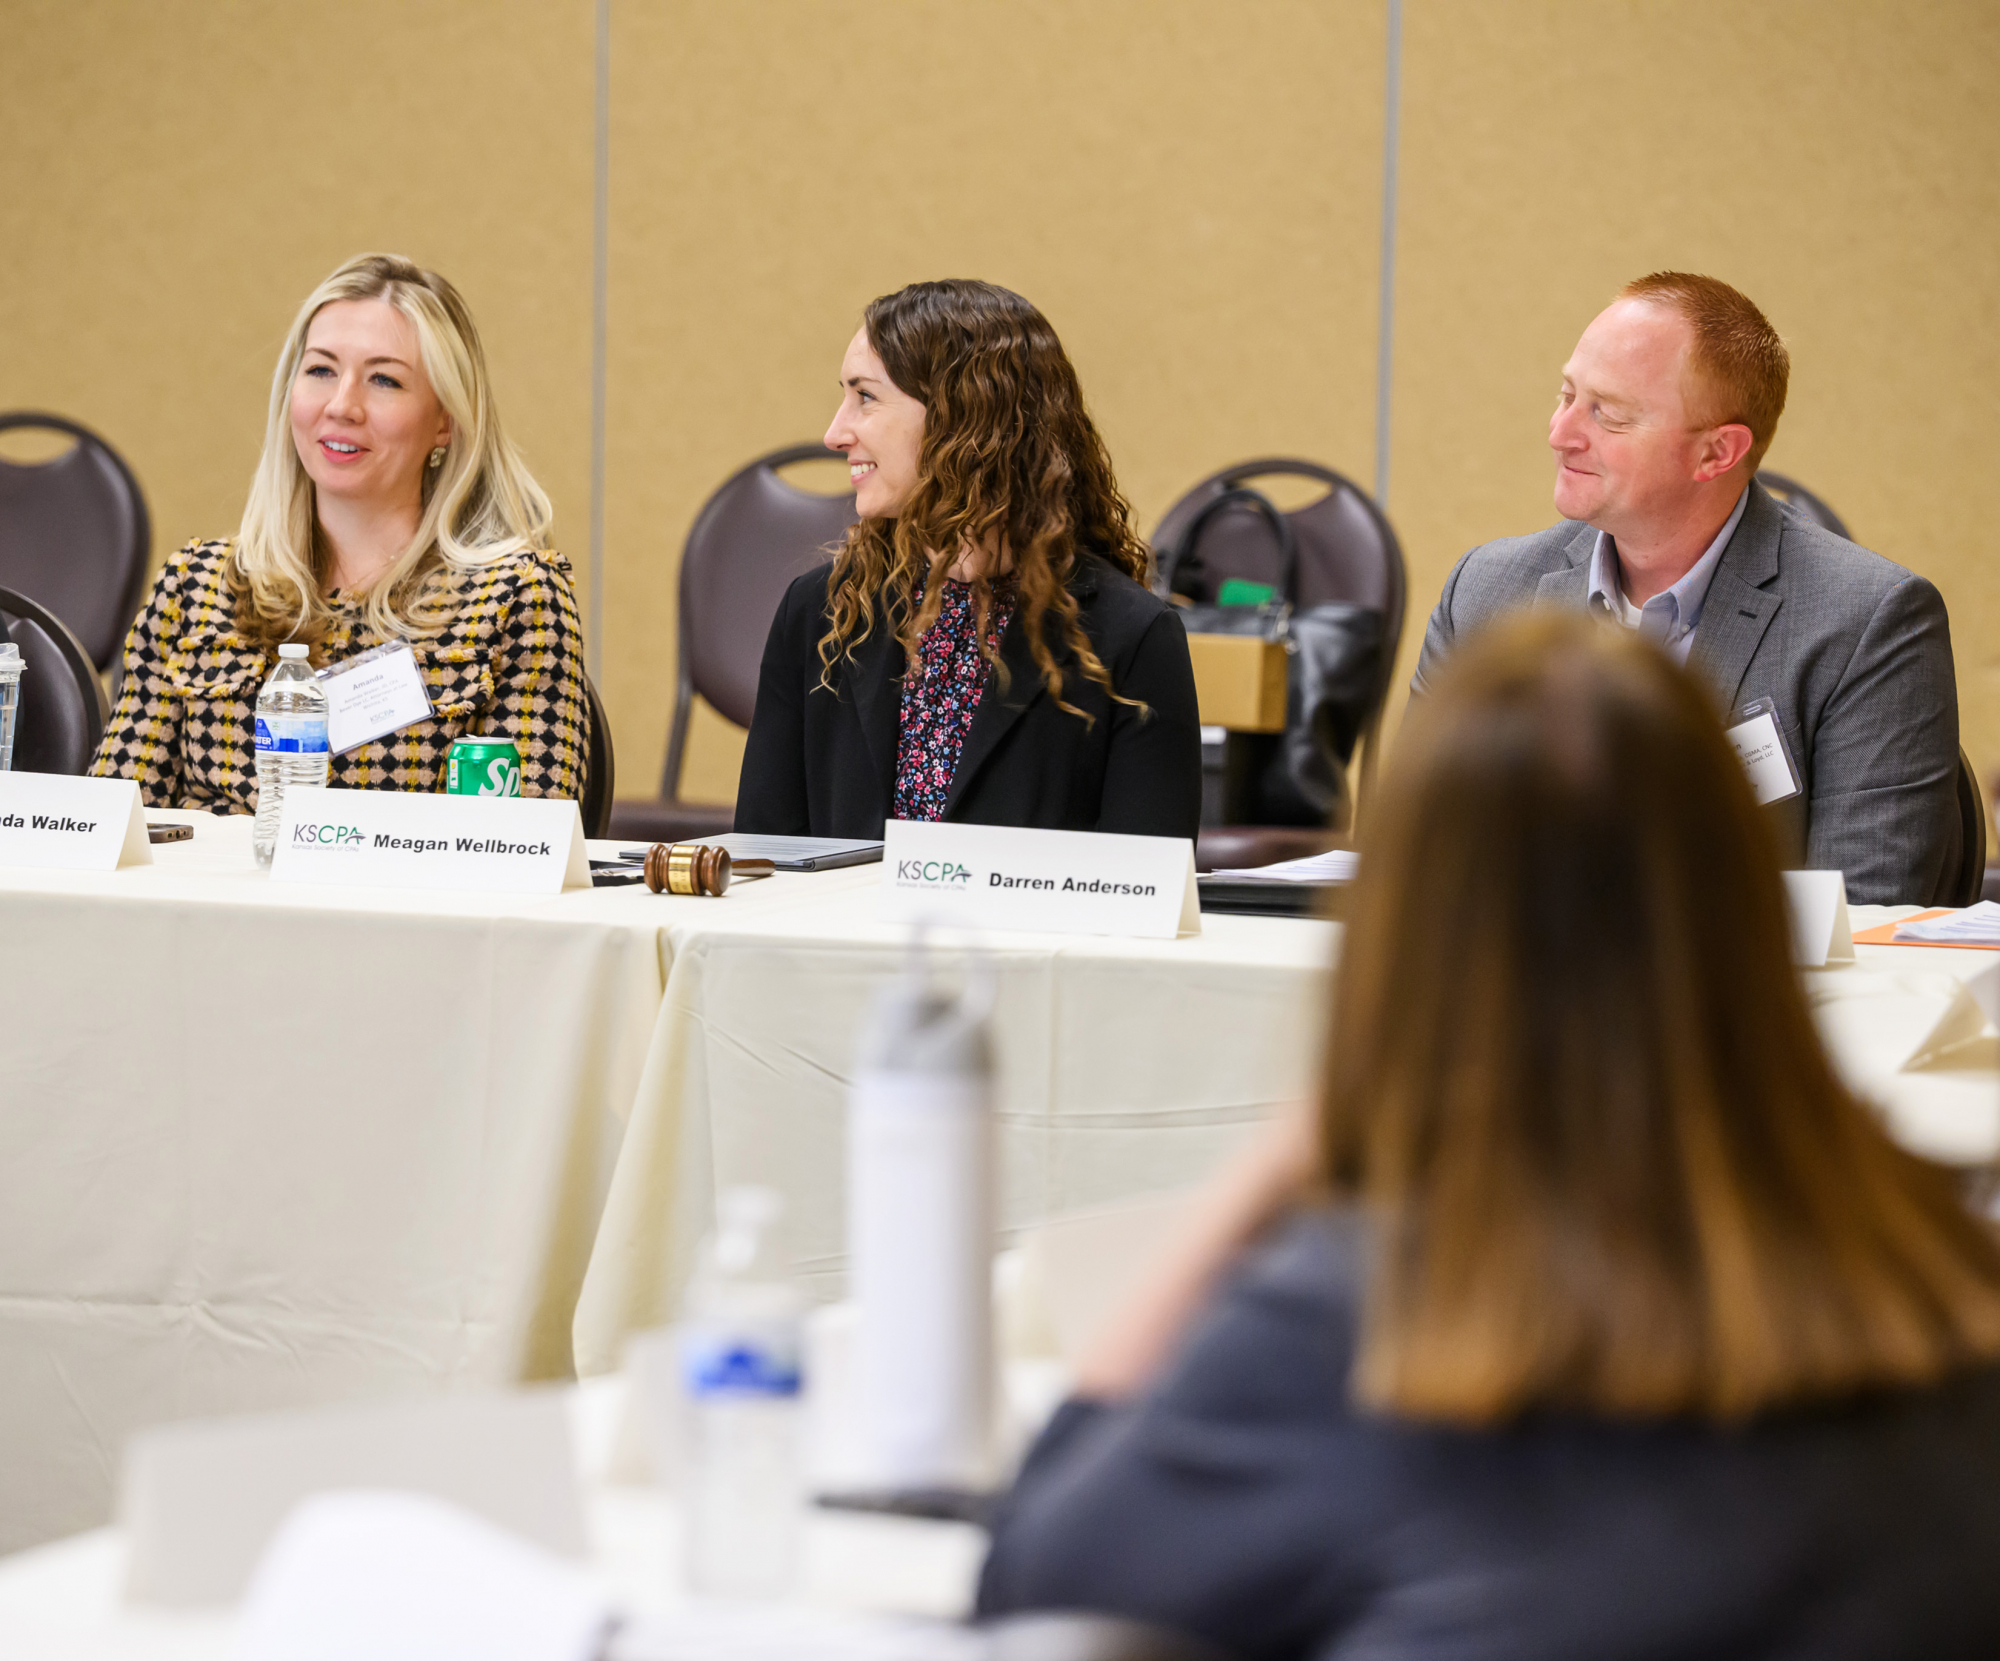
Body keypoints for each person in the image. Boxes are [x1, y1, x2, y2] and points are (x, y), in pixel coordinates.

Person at [979, 613, 2000, 1660]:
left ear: (1398, 932)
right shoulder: (1943, 1279)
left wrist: (1268, 1167)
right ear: (1745, 898)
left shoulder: (1356, 1327)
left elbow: (1036, 1575)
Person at [1411, 271, 1959, 906]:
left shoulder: (1870, 622)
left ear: (1716, 453)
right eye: (1567, 395)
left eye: (1608, 414)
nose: (1561, 433)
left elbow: (1864, 909)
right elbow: (1418, 863)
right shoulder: (1484, 593)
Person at [92, 253, 587, 809]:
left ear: (444, 421)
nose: (342, 405)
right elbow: (112, 825)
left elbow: (524, 844)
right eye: (321, 371)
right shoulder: (196, 588)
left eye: (384, 380)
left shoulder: (515, 600)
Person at [733, 279, 1201, 840]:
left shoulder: (1132, 635)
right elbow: (765, 858)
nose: (835, 434)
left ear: (961, 419)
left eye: (865, 397)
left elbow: (1146, 881)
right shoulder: (821, 611)